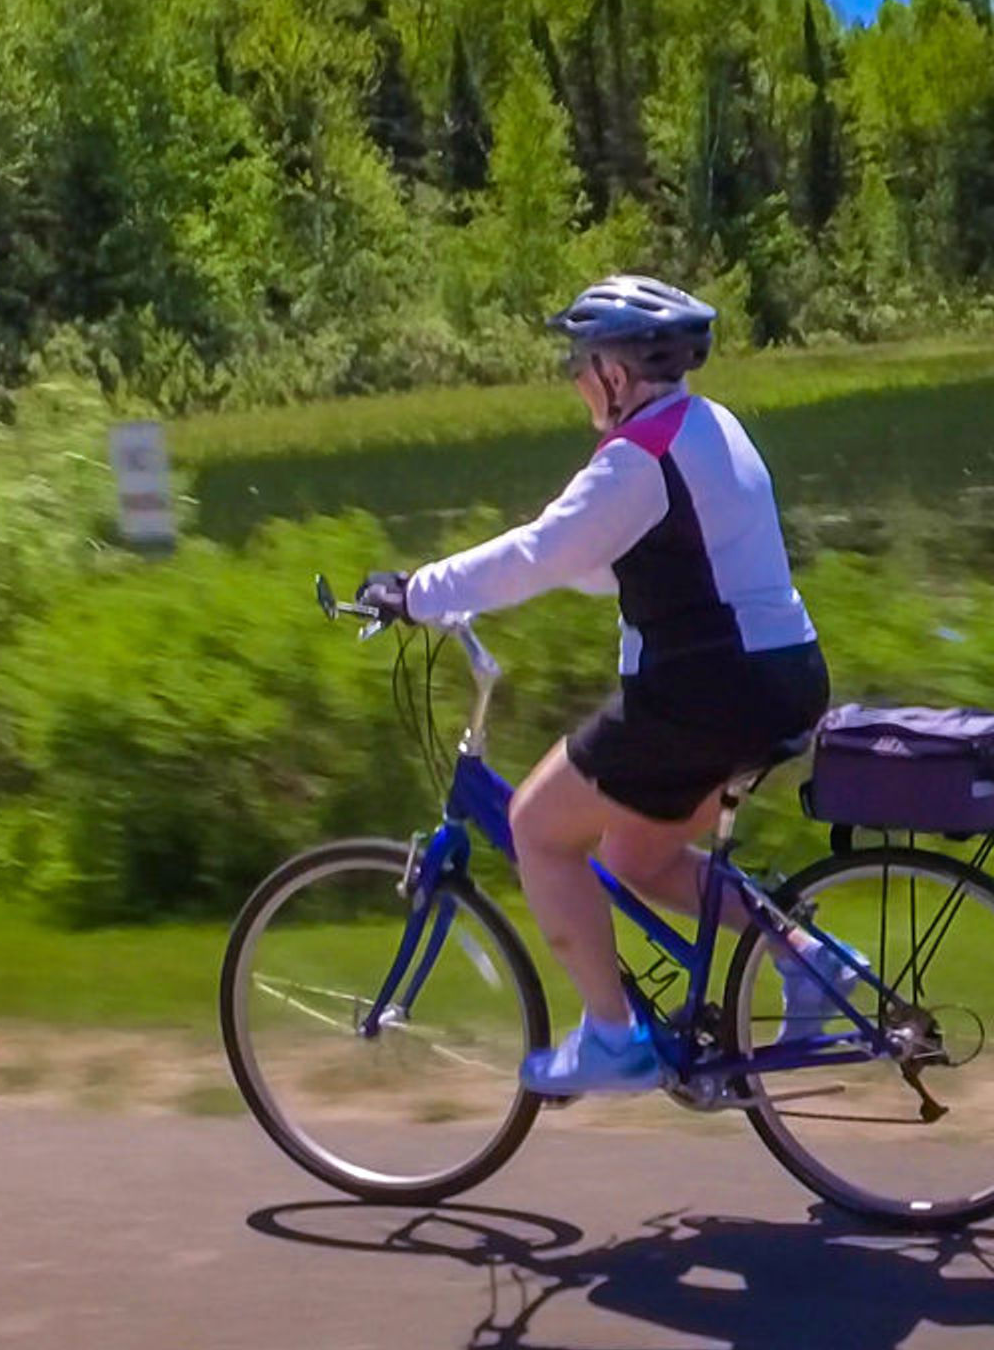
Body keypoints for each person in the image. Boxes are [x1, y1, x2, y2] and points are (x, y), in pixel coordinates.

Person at [357, 277, 837, 1097]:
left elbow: (540, 553)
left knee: (537, 826)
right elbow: (606, 559)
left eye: (581, 363)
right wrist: (475, 590)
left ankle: (614, 1040)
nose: (576, 379)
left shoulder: (635, 461)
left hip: (703, 694)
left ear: (617, 374)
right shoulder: (707, 428)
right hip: (783, 678)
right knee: (638, 853)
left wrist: (419, 591)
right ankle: (809, 961)